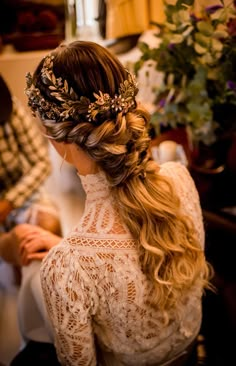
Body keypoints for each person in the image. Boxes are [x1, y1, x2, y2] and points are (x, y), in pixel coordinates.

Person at [17, 40, 211, 366]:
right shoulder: (180, 178)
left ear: (57, 141)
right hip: (195, 355)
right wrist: (72, 254)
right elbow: (130, 254)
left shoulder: (66, 268)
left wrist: (71, 261)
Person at [0, 74, 62, 266]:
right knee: (21, 242)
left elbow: (42, 163)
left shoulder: (9, 108)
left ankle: (54, 283)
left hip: (18, 194)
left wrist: (9, 202)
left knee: (47, 226)